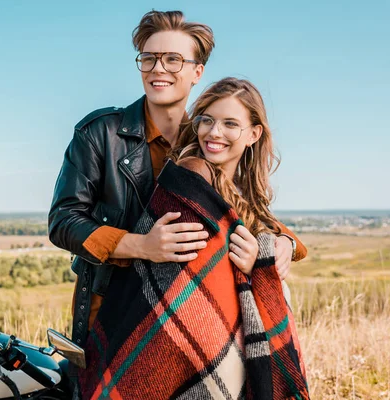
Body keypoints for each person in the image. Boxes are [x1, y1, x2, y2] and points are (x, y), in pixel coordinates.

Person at [48, 8, 306, 372]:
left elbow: (244, 208)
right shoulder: (99, 133)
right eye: (149, 59)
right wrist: (142, 246)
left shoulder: (208, 140)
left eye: (173, 59)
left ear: (197, 72)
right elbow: (63, 221)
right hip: (108, 312)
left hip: (187, 321)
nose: (159, 69)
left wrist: (285, 243)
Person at [78, 77, 309, 399]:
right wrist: (251, 266)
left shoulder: (245, 191)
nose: (214, 133)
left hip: (225, 347)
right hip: (182, 344)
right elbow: (191, 275)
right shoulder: (192, 173)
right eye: (207, 120)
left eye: (230, 124)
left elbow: (266, 229)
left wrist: (282, 244)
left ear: (254, 134)